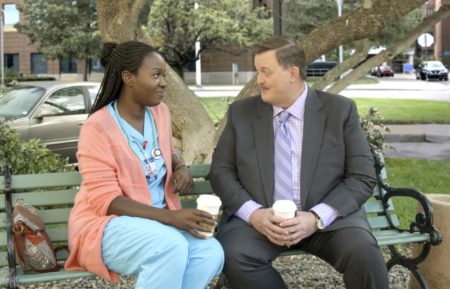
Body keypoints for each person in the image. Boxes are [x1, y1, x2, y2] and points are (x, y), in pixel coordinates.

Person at [209, 36, 388, 289]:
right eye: (257, 71)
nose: (258, 80)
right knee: (234, 255)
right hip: (262, 222)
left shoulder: (340, 111)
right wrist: (254, 214)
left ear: (292, 73)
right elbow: (221, 172)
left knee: (365, 256)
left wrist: (315, 218)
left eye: (265, 72)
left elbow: (361, 177)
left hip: (326, 221)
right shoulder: (242, 113)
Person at [65, 41, 224, 289]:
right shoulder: (97, 128)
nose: (163, 82)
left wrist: (179, 166)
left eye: (164, 75)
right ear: (128, 78)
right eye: (156, 75)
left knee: (210, 252)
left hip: (158, 224)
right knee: (170, 245)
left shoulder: (159, 113)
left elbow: (164, 150)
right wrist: (171, 217)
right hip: (107, 227)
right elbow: (104, 201)